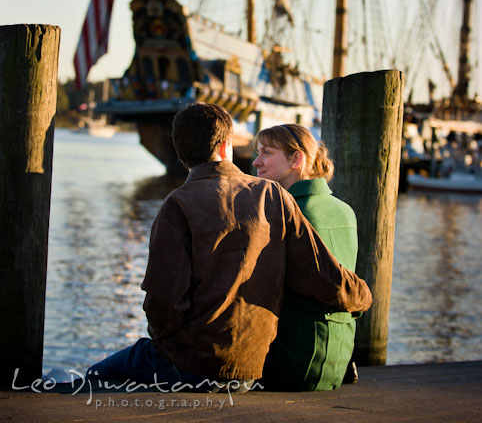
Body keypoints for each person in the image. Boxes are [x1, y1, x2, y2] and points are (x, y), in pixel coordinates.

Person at [86, 104, 371, 391]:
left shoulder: (178, 204)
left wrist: (168, 341)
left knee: (94, 378)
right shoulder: (273, 196)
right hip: (250, 370)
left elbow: (164, 303)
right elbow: (321, 273)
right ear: (226, 146)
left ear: (180, 151)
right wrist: (363, 297)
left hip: (191, 365)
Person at [253, 123, 360, 391]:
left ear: (296, 159)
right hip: (336, 363)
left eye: (266, 152)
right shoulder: (346, 212)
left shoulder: (284, 214)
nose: (256, 162)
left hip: (290, 364)